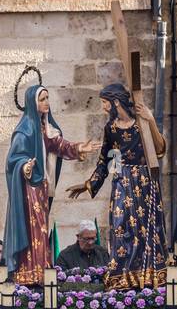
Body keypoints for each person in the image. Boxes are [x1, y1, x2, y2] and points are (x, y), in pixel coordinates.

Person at [67, 83, 168, 290]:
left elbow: (159, 150)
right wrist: (89, 184)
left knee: (146, 232)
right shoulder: (111, 129)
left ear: (114, 102)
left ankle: (148, 277)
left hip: (145, 183)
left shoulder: (141, 123)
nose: (103, 108)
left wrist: (150, 120)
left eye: (104, 103)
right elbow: (106, 162)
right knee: (121, 228)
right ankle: (123, 278)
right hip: (121, 183)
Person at [4, 85, 100, 283]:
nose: (47, 102)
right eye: (42, 99)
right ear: (33, 103)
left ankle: (40, 269)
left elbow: (60, 145)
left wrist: (80, 147)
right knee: (32, 229)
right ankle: (28, 272)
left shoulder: (45, 127)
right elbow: (14, 159)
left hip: (42, 188)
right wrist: (25, 167)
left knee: (41, 229)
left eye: (47, 98)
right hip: (28, 189)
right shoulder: (24, 131)